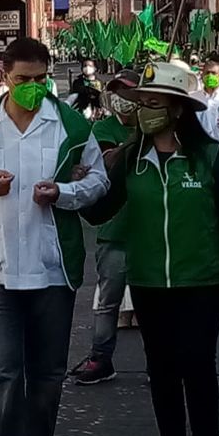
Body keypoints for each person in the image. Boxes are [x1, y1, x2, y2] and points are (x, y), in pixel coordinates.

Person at [0, 37, 109, 436]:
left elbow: (98, 182)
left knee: (47, 377)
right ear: (5, 76)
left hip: (51, 265)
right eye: (23, 80)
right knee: (4, 375)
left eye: (40, 80)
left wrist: (64, 192)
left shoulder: (71, 126)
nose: (32, 88)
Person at [91, 61, 219, 436]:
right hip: (148, 280)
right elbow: (100, 210)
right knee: (160, 369)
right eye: (141, 103)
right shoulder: (130, 159)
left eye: (153, 103)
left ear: (178, 108)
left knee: (197, 363)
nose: (145, 111)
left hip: (203, 279)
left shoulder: (210, 156)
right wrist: (73, 185)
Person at [69, 69, 140, 386]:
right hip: (114, 229)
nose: (121, 99)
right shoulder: (103, 128)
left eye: (128, 93)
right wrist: (136, 141)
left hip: (149, 230)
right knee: (107, 300)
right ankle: (101, 357)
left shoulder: (156, 127)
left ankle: (162, 361)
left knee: (155, 304)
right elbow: (108, 162)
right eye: (116, 93)